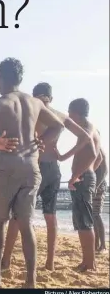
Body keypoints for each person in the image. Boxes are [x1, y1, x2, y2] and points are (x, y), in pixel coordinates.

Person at [0, 58, 64, 288]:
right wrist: (41, 141)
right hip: (31, 167)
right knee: (25, 223)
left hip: (8, 164)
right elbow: (58, 125)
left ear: (1, 79)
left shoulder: (0, 102)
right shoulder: (35, 103)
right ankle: (30, 280)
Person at [2, 82, 93, 271]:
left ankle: (6, 260)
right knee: (50, 216)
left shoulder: (32, 112)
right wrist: (63, 156)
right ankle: (49, 263)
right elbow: (85, 137)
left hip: (36, 168)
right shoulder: (59, 115)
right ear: (51, 98)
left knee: (18, 215)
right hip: (54, 169)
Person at [55, 98, 101, 271]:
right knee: (82, 221)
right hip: (85, 178)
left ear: (75, 113)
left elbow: (94, 155)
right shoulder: (89, 129)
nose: (68, 116)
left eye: (69, 112)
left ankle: (90, 263)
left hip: (82, 178)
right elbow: (100, 158)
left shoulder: (87, 129)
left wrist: (78, 174)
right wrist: (89, 174)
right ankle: (88, 261)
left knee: (84, 221)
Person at [93, 148, 107, 253]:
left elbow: (105, 171)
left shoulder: (99, 150)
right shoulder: (91, 148)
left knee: (96, 214)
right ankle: (96, 244)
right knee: (93, 215)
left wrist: (97, 185)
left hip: (99, 185)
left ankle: (103, 246)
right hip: (93, 184)